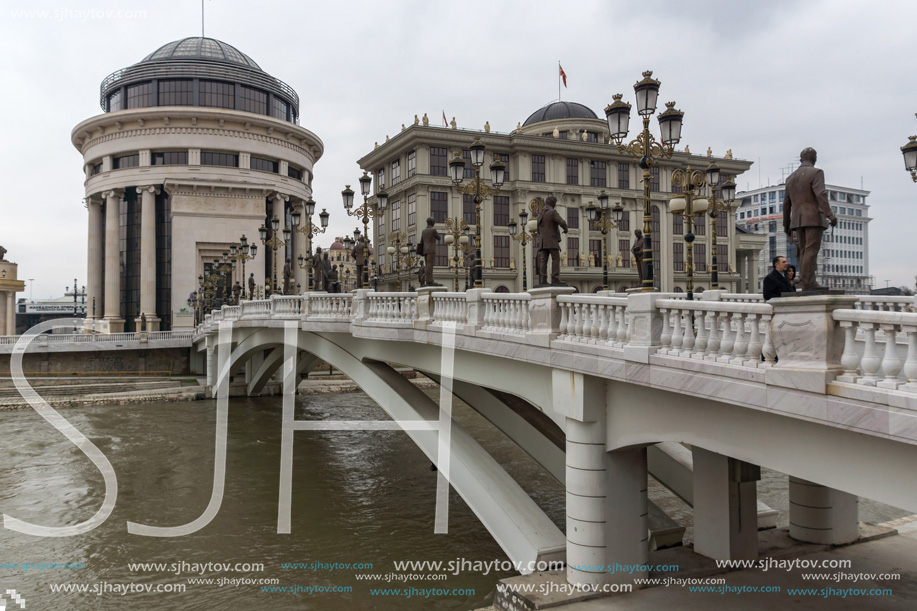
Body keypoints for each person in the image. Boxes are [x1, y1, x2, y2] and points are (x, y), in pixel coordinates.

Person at [783, 147, 837, 291]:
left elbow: (786, 204)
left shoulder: (790, 178)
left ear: (801, 159)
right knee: (811, 250)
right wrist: (830, 215)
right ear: (814, 158)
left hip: (797, 221)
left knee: (802, 251)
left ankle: (804, 280)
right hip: (813, 218)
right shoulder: (816, 173)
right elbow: (820, 194)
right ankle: (809, 282)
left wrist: (786, 225)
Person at [535, 196, 568, 286]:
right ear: (553, 203)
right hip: (551, 240)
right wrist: (565, 229)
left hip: (542, 241)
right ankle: (555, 279)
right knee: (555, 258)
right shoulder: (552, 212)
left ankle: (542, 280)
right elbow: (562, 222)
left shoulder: (540, 213)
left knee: (543, 260)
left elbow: (538, 228)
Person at [419, 217, 441, 286]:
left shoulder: (423, 231)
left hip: (425, 250)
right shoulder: (433, 230)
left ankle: (428, 279)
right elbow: (439, 238)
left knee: (427, 264)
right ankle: (429, 280)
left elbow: (421, 241)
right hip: (431, 250)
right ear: (432, 222)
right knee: (430, 265)